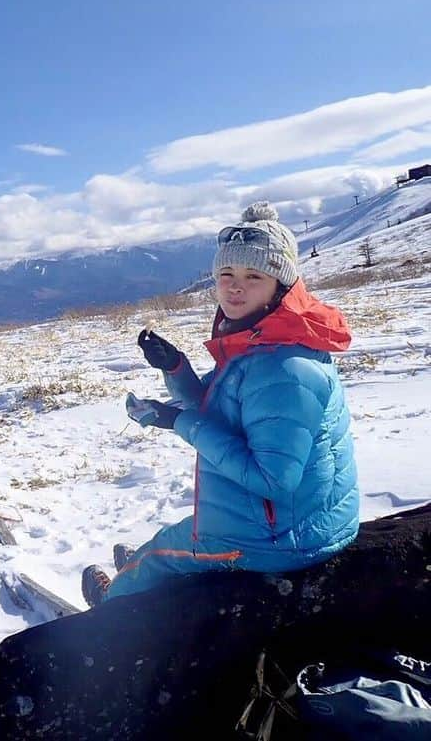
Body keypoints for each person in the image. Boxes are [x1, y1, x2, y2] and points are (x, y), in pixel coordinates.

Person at [82, 201, 359, 607]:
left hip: (283, 538)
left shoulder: (284, 367)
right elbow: (219, 407)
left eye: (253, 276)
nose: (234, 287)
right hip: (296, 520)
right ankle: (146, 566)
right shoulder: (263, 342)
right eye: (226, 274)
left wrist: (179, 422)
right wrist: (175, 368)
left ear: (281, 286)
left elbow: (272, 479)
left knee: (158, 555)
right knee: (170, 539)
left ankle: (112, 603)